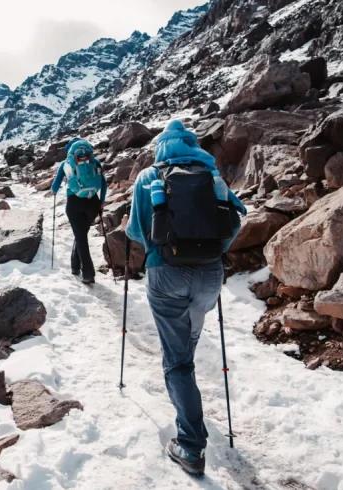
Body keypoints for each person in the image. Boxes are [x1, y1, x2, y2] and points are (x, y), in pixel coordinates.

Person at [125, 119, 246, 476]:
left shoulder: (149, 177)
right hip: (209, 274)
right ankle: (187, 388)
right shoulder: (213, 176)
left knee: (177, 360)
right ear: (192, 144)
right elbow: (237, 220)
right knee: (188, 338)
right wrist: (214, 250)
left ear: (161, 146)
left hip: (166, 272)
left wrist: (153, 243)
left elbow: (134, 229)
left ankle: (190, 446)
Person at [51, 139, 107, 284]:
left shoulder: (66, 164)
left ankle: (88, 273)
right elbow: (103, 183)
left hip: (74, 204)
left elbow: (54, 188)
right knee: (80, 234)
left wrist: (58, 188)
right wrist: (101, 203)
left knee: (81, 237)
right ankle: (75, 266)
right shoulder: (94, 161)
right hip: (93, 203)